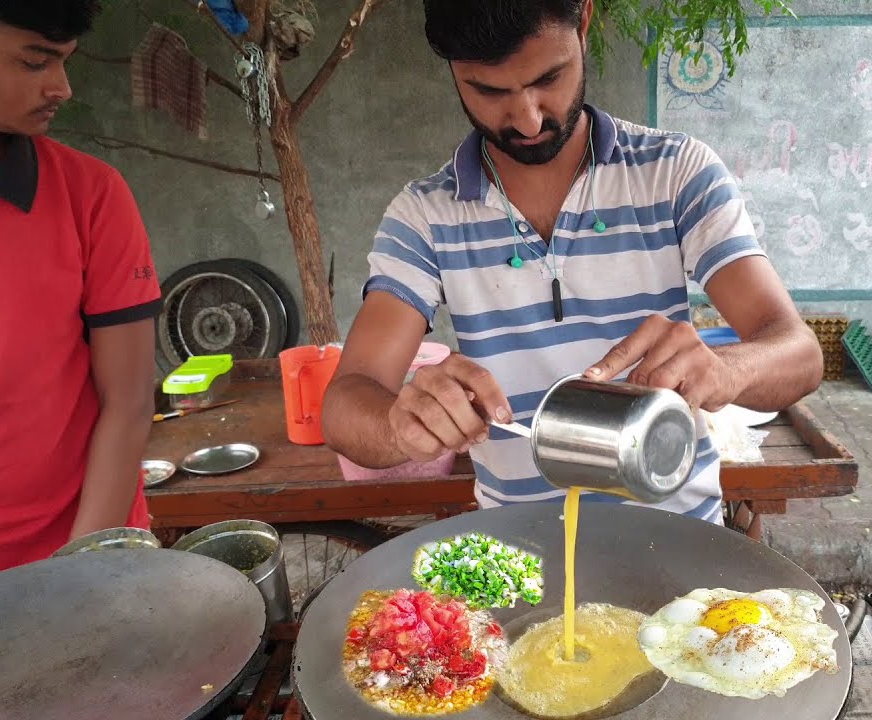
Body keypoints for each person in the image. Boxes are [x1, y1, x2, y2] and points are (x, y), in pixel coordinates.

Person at [322, 0, 823, 524]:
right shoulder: (423, 216)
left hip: (678, 546)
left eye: (549, 78)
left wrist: (727, 370)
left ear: (583, 20)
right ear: (452, 69)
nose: (528, 118)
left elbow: (800, 353)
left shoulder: (675, 174)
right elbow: (345, 403)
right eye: (489, 91)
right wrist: (398, 423)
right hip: (516, 563)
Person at [0, 0, 161, 595]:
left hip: (86, 562)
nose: (62, 87)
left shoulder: (90, 195)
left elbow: (129, 401)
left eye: (64, 62)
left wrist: (77, 578)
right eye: (36, 62)